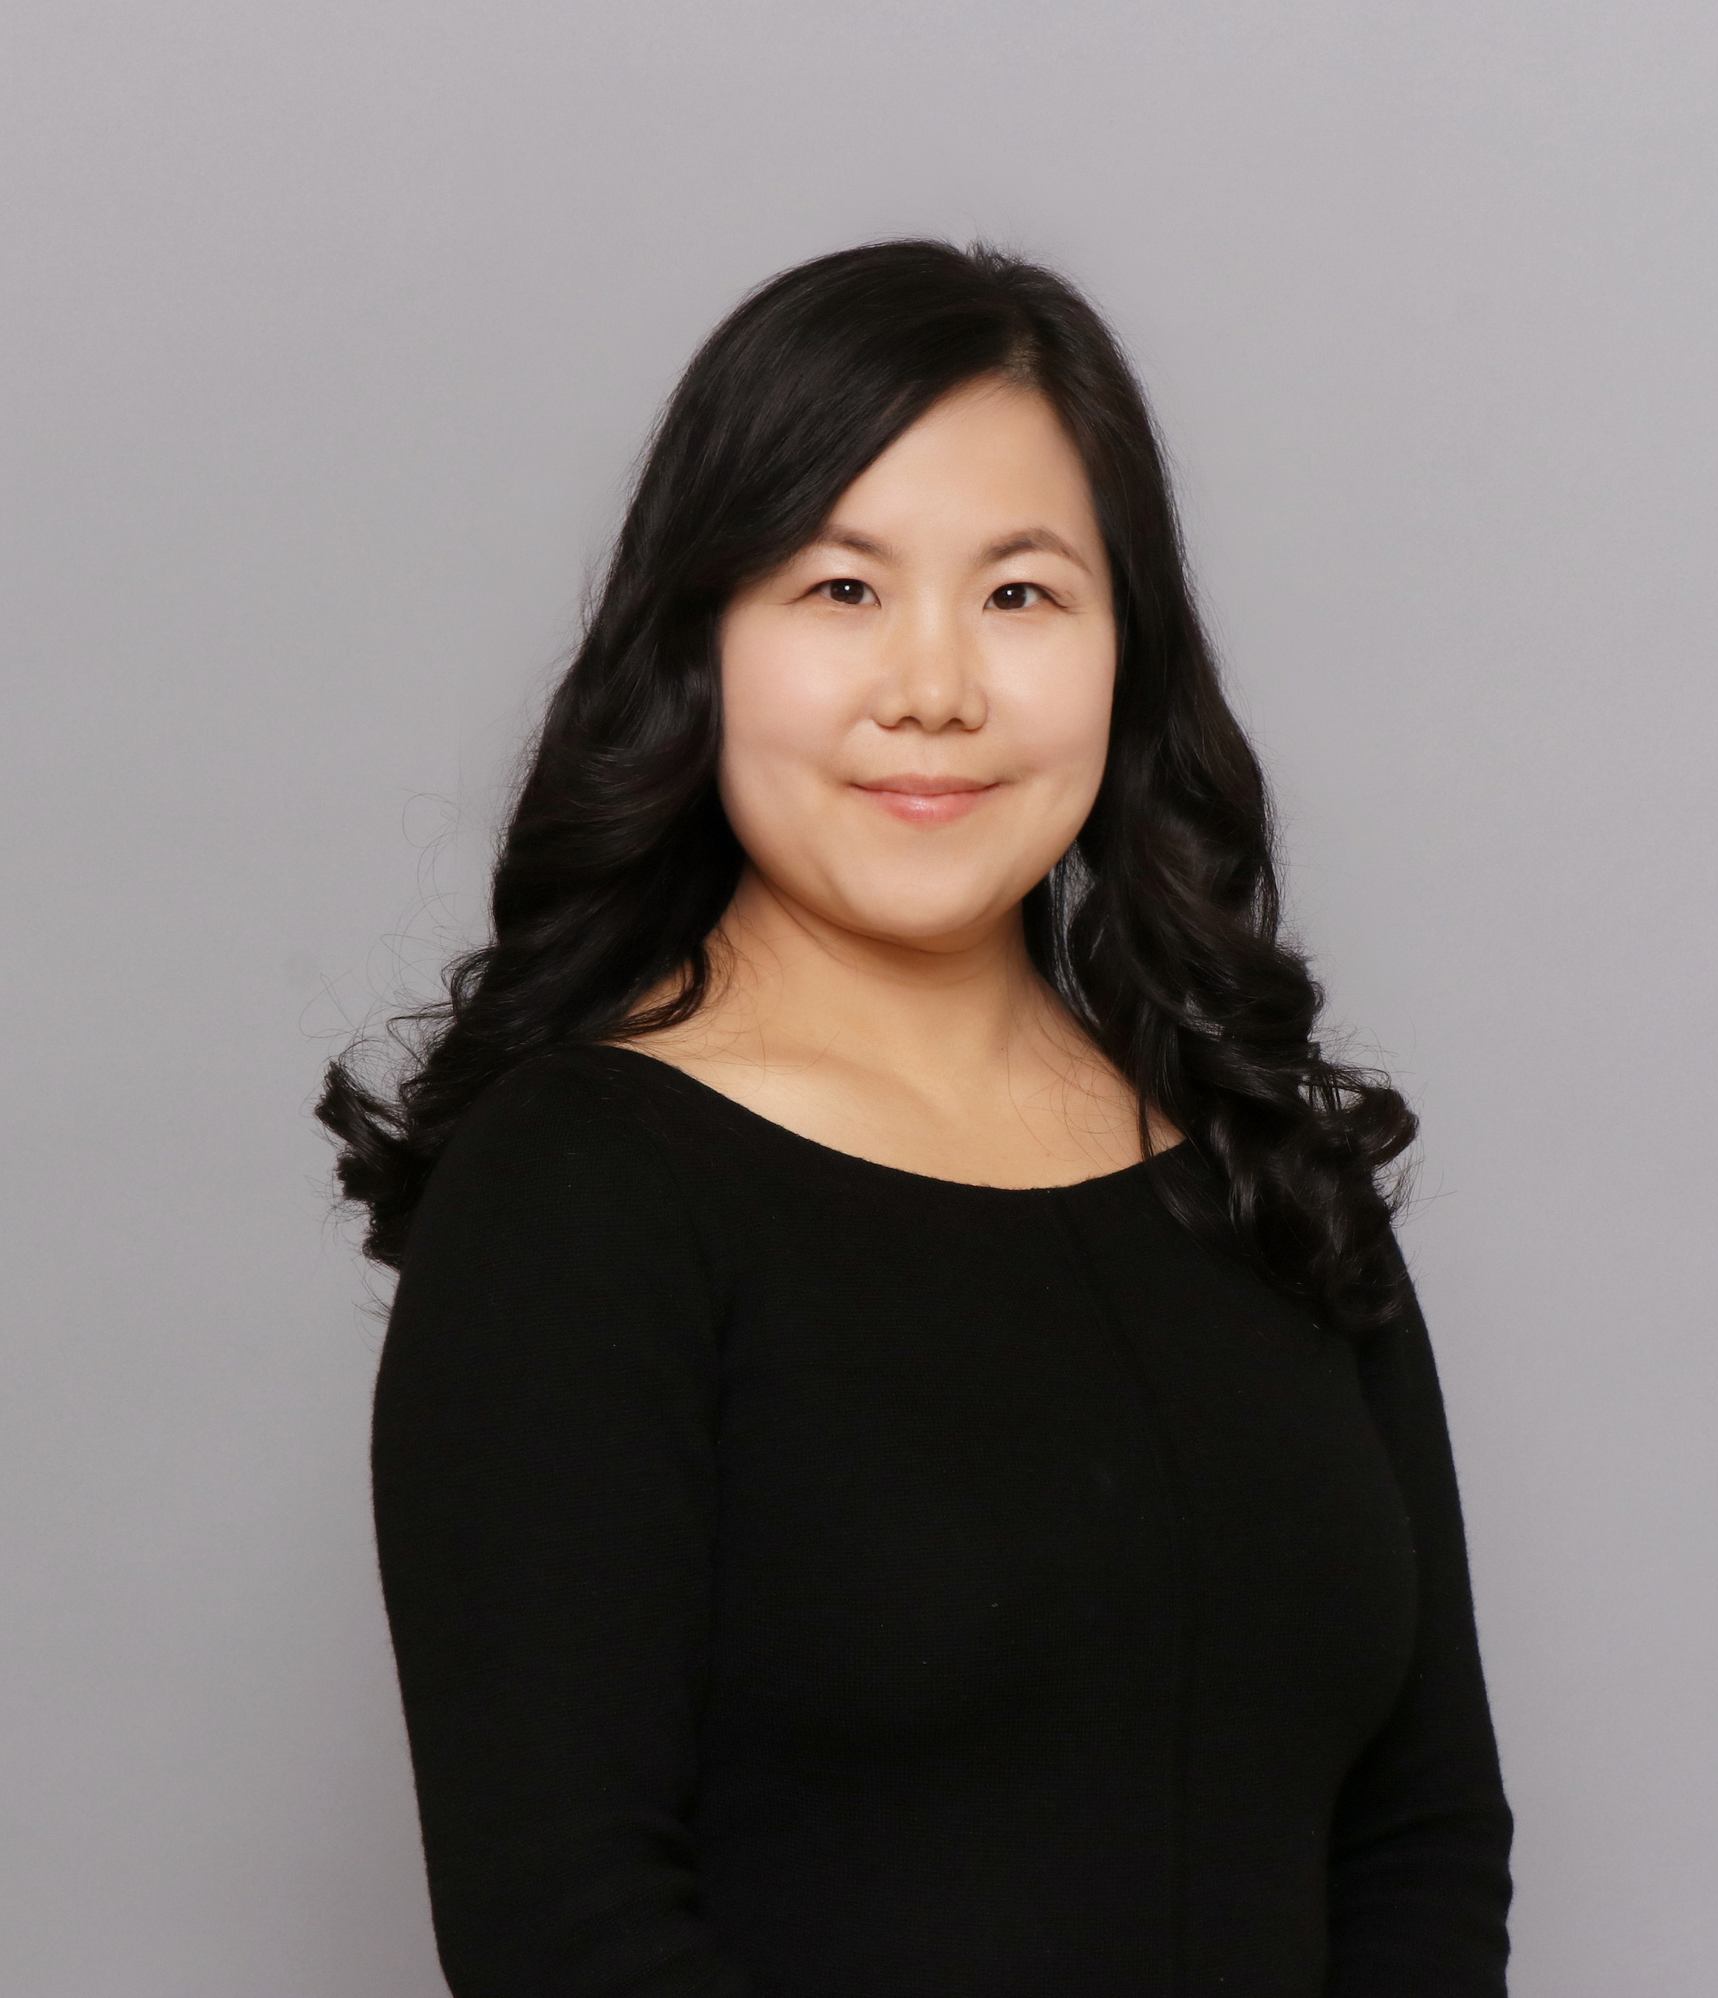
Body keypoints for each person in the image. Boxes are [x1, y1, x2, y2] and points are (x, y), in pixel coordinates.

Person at [320, 239, 1513, 1998]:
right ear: (702, 642)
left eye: (1021, 593)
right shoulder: (580, 1191)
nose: (934, 686)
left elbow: (1424, 1837)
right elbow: (566, 1926)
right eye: (839, 588)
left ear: (1127, 654)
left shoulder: (1262, 1163)